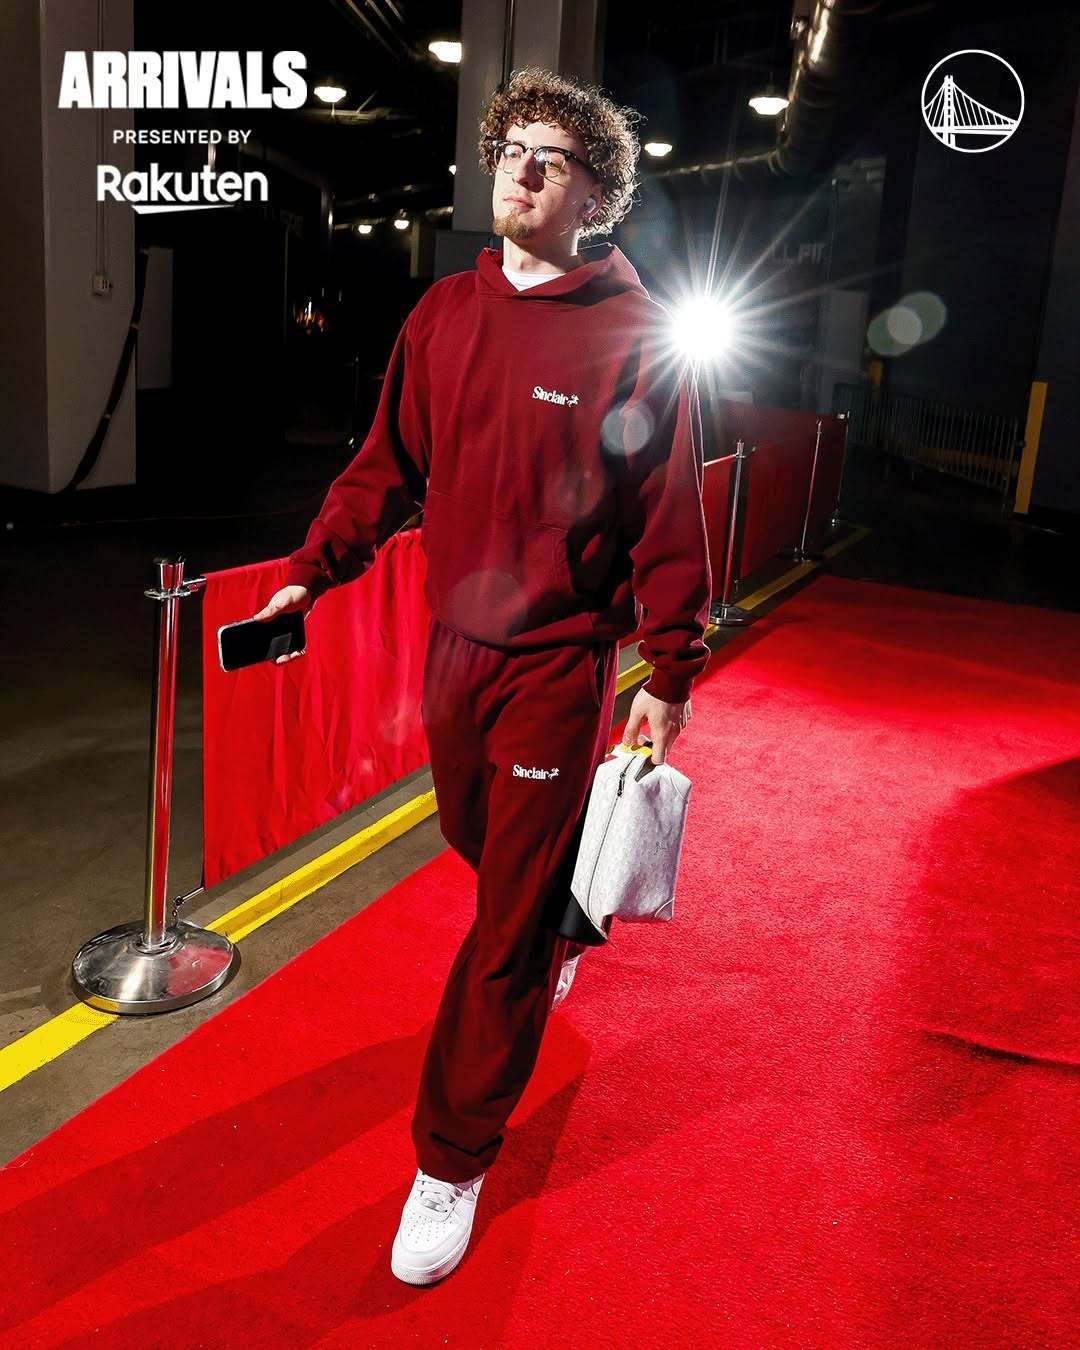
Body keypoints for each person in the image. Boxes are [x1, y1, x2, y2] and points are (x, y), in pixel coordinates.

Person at [253, 65, 712, 1286]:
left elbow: (670, 512)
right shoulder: (443, 315)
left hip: (560, 662)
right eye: (512, 148)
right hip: (453, 649)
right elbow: (384, 465)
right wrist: (313, 569)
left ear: (596, 195)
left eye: (554, 158)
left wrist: (669, 668)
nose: (523, 168)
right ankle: (557, 905)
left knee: (501, 928)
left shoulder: (633, 334)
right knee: (481, 843)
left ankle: (450, 1159)